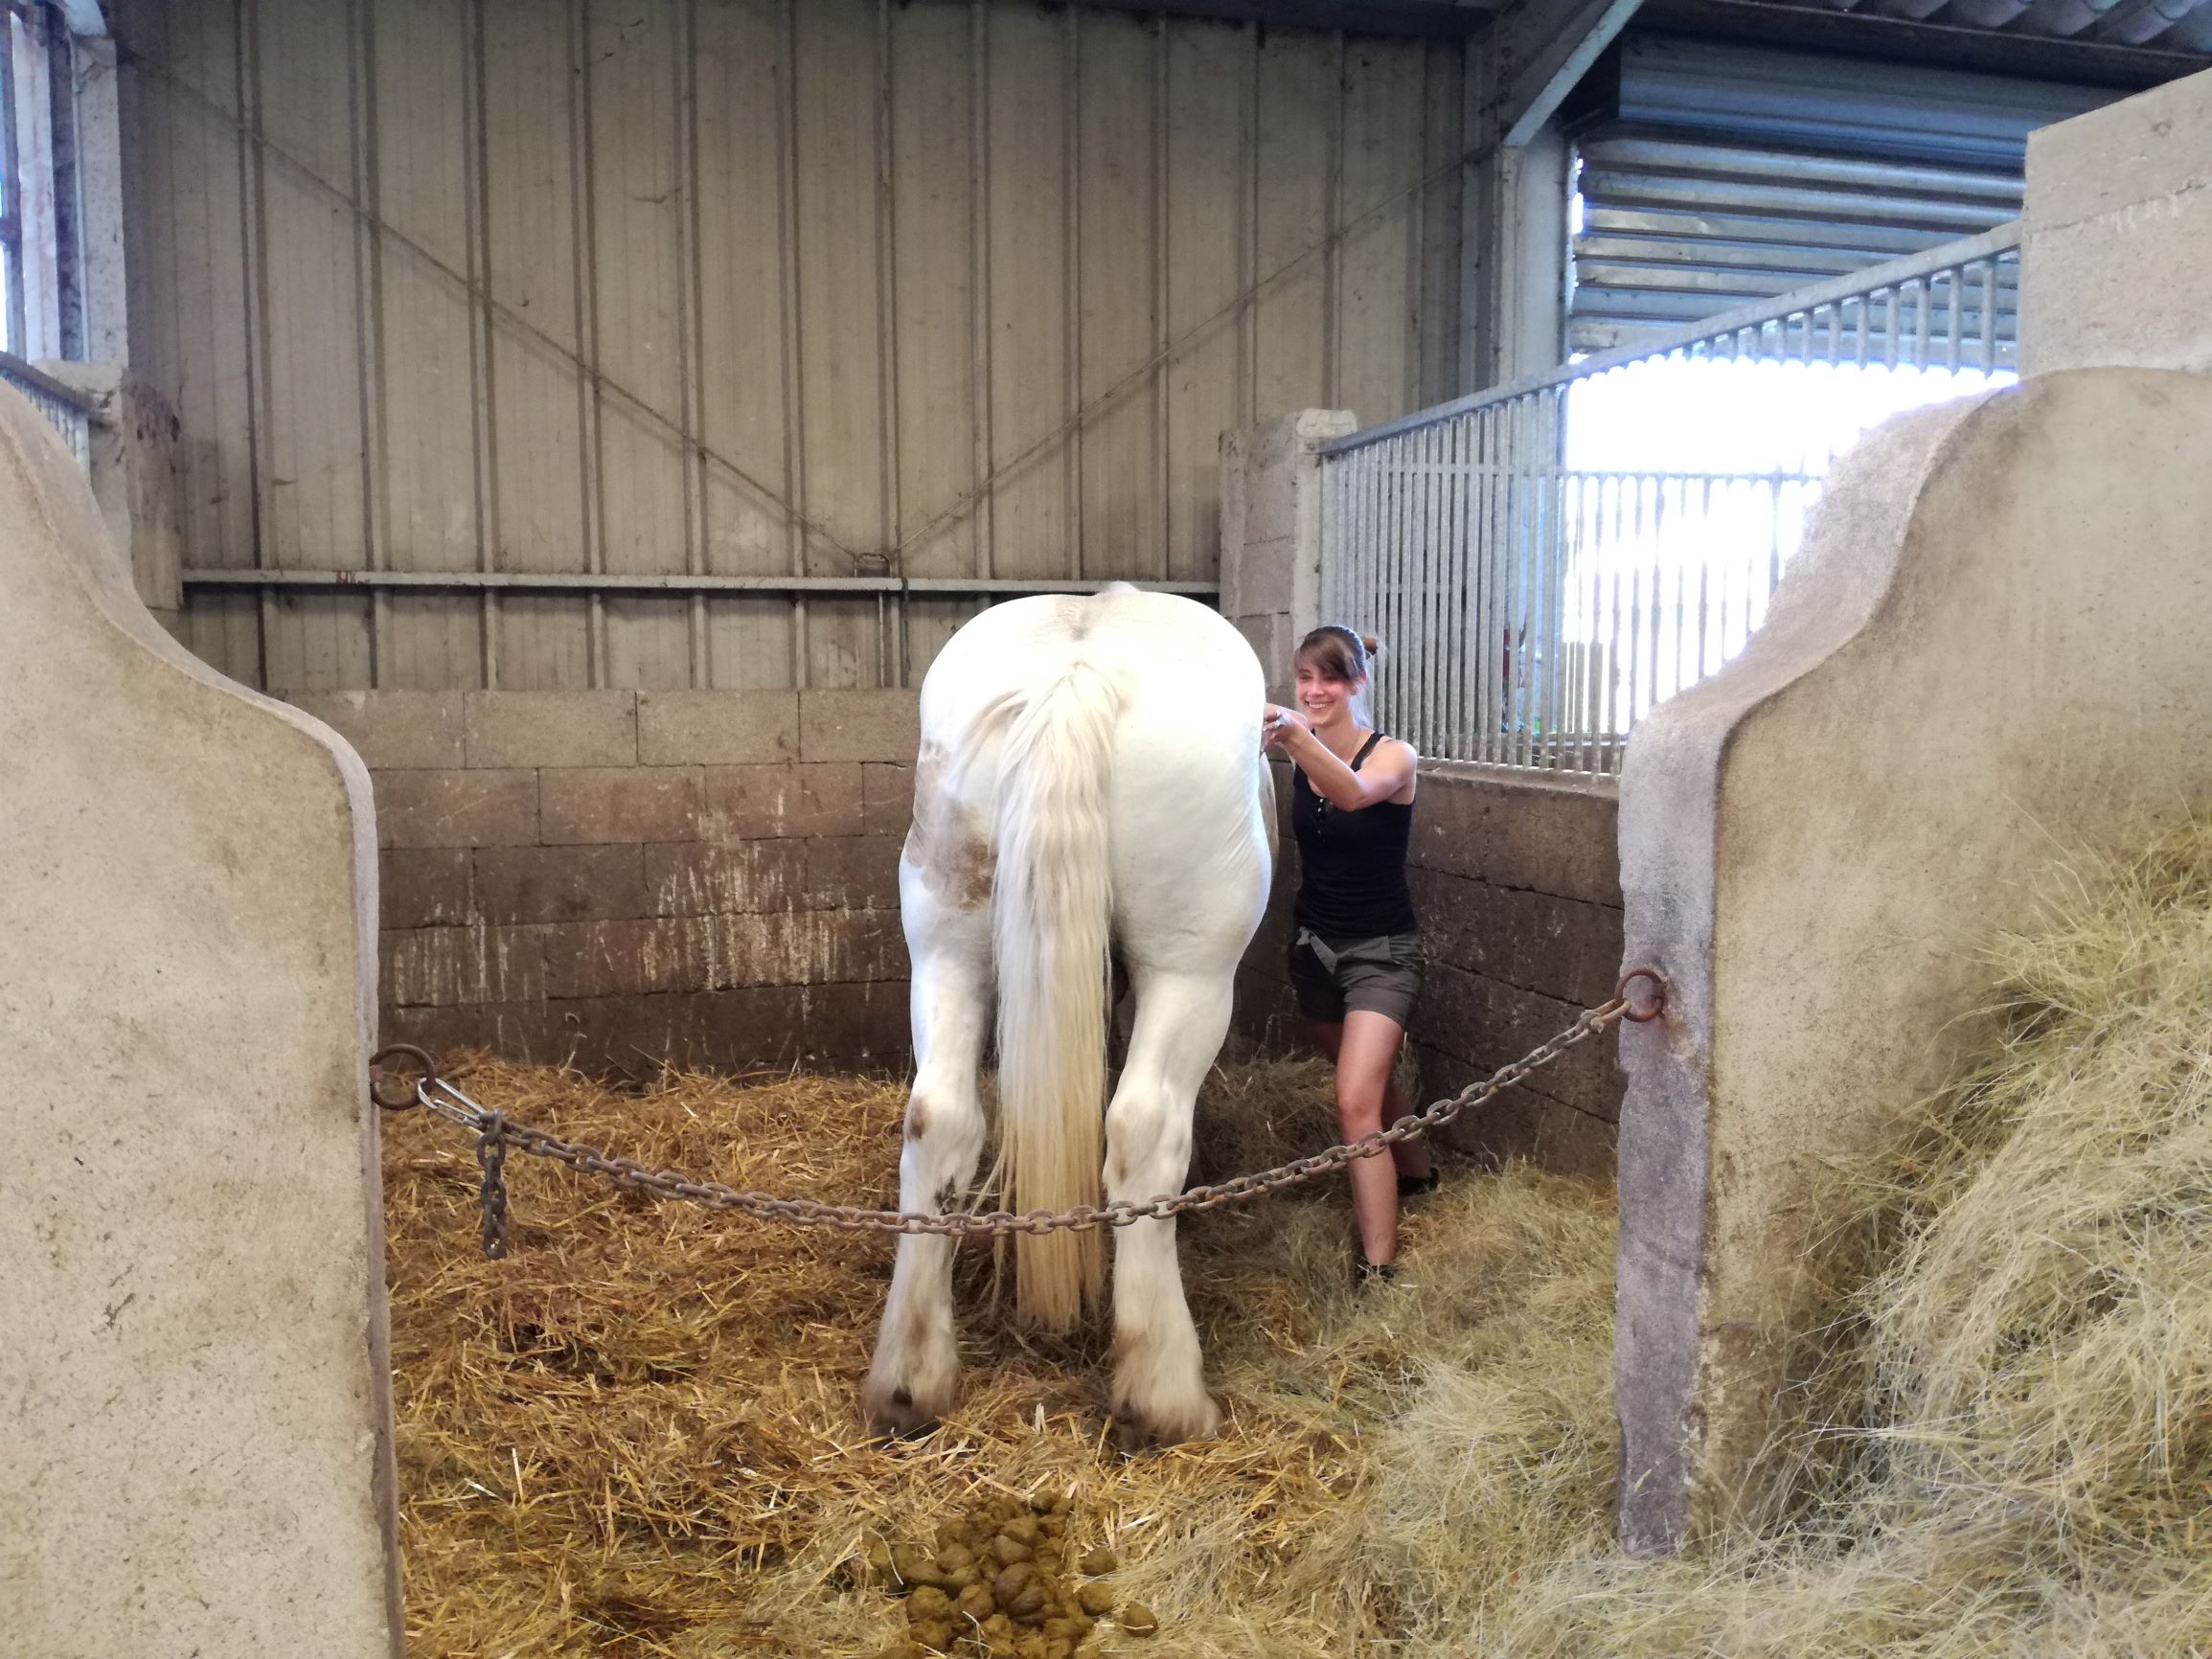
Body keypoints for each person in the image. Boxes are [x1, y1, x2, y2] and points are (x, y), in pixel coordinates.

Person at [1262, 625, 1431, 1284]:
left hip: (1381, 952)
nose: (1313, 691)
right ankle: (1417, 1170)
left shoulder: (1394, 756)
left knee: (1354, 1104)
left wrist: (1294, 736)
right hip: (1313, 947)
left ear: (1357, 682)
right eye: (1304, 678)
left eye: (1329, 679)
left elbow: (1354, 792)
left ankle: (1377, 1271)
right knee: (1368, 1079)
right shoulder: (1297, 746)